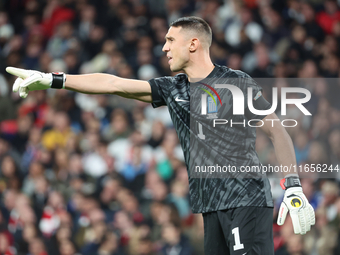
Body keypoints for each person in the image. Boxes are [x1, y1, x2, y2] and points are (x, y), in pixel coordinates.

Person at [6, 16, 315, 255]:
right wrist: (53, 79)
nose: (164, 47)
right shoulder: (173, 88)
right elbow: (113, 83)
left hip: (245, 200)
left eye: (170, 40)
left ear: (193, 44)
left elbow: (277, 130)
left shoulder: (235, 82)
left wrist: (293, 186)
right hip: (210, 206)